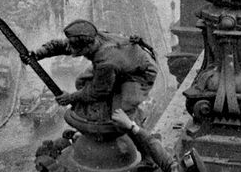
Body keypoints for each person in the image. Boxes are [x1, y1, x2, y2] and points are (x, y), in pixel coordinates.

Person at [21, 19, 158, 119]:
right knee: (81, 81)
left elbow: (98, 90)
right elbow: (61, 46)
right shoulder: (94, 37)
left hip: (141, 72)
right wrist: (37, 54)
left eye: (77, 51)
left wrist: (70, 98)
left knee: (120, 116)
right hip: (124, 62)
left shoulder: (105, 62)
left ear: (86, 47)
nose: (72, 52)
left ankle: (136, 121)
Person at [111, 109, 208, 172]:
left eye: (178, 168)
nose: (174, 165)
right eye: (178, 164)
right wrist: (132, 126)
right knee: (148, 145)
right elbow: (161, 154)